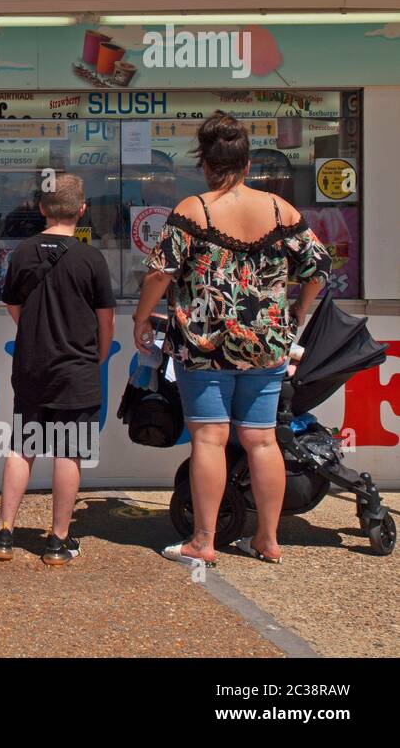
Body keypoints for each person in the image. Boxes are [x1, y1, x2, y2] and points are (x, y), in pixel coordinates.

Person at [134, 113, 330, 567]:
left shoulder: (193, 210)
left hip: (205, 344)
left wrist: (142, 318)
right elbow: (318, 268)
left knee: (209, 439)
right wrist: (298, 310)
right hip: (267, 343)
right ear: (247, 164)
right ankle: (267, 539)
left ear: (205, 163)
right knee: (262, 440)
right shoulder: (281, 210)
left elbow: (160, 274)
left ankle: (204, 541)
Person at [0, 173, 115, 566]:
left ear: (42, 209)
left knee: (22, 447)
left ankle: (3, 533)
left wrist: (35, 330)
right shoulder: (91, 258)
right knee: (69, 453)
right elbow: (105, 320)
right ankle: (57, 541)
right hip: (77, 369)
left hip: (32, 366)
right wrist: (97, 356)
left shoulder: (22, 253)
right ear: (82, 210)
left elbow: (13, 305)